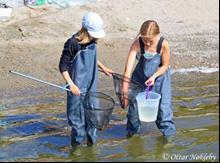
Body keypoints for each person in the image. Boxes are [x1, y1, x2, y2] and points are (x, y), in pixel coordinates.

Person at [59, 12, 113, 147]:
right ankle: (76, 148)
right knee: (77, 121)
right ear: (86, 31)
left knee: (92, 119)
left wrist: (103, 67)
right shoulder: (72, 43)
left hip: (91, 86)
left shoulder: (93, 41)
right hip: (76, 88)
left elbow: (92, 58)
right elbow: (63, 66)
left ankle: (91, 147)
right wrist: (71, 84)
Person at [122, 20, 176, 139]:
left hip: (160, 80)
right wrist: (125, 93)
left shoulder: (163, 44)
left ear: (157, 35)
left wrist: (154, 76)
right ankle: (132, 138)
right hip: (139, 79)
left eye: (150, 40)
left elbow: (165, 65)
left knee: (163, 112)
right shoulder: (137, 43)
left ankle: (168, 140)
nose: (146, 43)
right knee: (134, 113)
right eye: (144, 39)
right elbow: (127, 70)